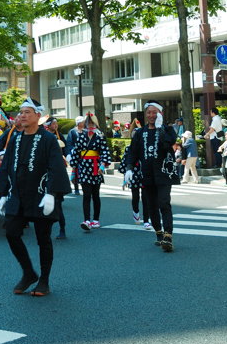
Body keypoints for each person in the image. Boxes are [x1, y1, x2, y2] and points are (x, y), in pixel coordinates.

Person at [0, 98, 70, 297]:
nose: (22, 116)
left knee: (43, 238)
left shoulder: (48, 139)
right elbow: (6, 166)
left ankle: (44, 280)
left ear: (38, 116)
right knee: (11, 232)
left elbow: (56, 167)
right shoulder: (15, 139)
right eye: (21, 112)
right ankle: (28, 272)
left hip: (40, 194)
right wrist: (2, 194)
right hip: (18, 195)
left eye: (27, 112)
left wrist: (51, 194)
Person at [123, 101, 180, 252]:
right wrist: (129, 168)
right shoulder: (140, 133)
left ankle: (168, 235)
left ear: (160, 114)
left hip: (163, 173)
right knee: (151, 205)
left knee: (164, 203)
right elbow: (133, 152)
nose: (151, 115)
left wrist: (161, 128)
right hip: (146, 174)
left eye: (155, 112)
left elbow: (168, 144)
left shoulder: (168, 130)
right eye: (149, 112)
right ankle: (159, 233)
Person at [70, 113, 110, 232]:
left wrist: (102, 165)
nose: (89, 125)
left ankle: (96, 219)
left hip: (96, 167)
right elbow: (76, 153)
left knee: (95, 195)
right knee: (86, 195)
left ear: (96, 124)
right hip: (84, 168)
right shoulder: (81, 137)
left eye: (92, 123)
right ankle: (87, 220)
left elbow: (105, 152)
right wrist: (73, 171)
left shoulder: (100, 137)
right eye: (88, 123)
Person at [42, 117, 68, 239]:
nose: (56, 125)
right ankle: (46, 232)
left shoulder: (59, 137)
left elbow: (66, 147)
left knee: (58, 207)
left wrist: (68, 156)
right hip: (44, 179)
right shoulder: (45, 138)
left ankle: (62, 229)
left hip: (56, 181)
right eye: (53, 123)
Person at [119, 127, 150, 228]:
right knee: (135, 197)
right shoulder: (129, 148)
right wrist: (125, 176)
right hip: (133, 173)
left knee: (146, 198)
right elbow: (125, 161)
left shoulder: (146, 147)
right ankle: (135, 211)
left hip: (144, 173)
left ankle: (146, 220)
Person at [66, 116, 85, 195]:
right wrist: (72, 151)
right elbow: (69, 142)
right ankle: (76, 188)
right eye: (83, 122)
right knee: (76, 170)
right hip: (75, 154)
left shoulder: (85, 131)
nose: (84, 123)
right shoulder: (72, 131)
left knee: (84, 171)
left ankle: (84, 187)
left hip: (84, 154)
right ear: (79, 123)